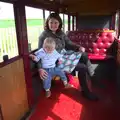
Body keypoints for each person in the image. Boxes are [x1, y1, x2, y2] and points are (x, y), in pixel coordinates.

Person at [37, 12, 99, 100]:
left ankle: (92, 75)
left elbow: (69, 43)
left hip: (64, 56)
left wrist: (78, 47)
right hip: (55, 63)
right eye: (51, 22)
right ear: (47, 23)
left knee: (84, 55)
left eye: (56, 23)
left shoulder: (60, 33)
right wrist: (40, 68)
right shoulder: (43, 36)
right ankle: (86, 92)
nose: (53, 25)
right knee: (83, 67)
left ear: (59, 23)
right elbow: (40, 53)